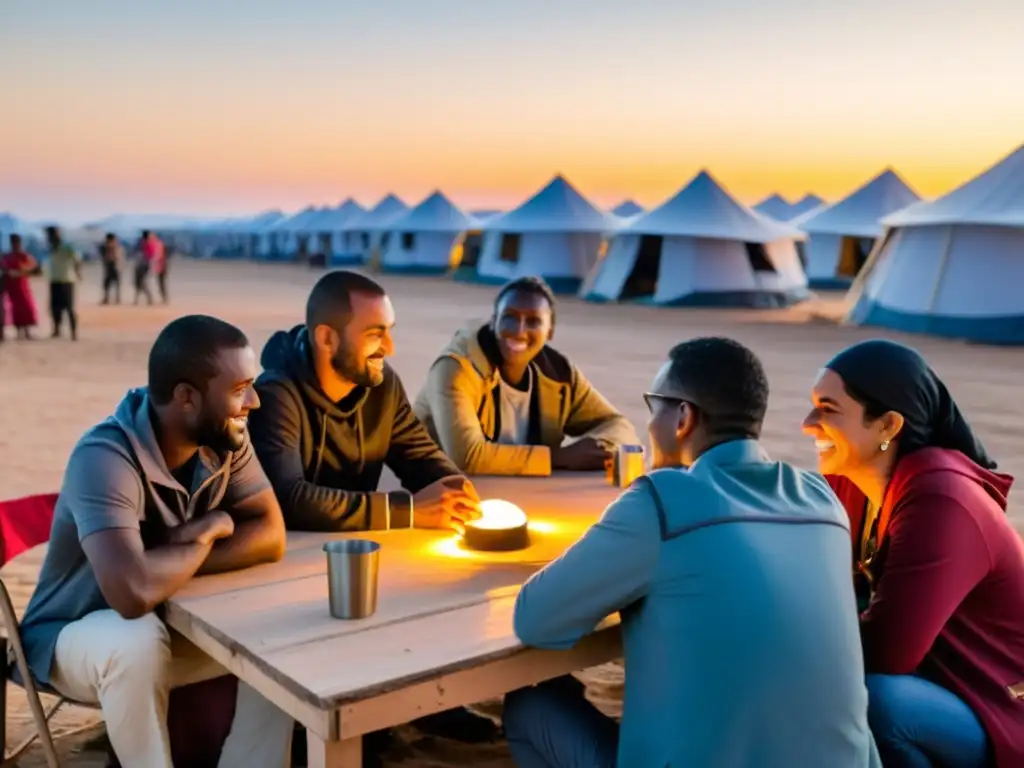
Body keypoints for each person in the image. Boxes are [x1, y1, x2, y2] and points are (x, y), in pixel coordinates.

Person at [503, 337, 880, 768]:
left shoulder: (662, 502)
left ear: (683, 416)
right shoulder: (822, 500)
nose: (649, 424)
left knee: (530, 706)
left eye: (654, 406)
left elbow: (535, 619)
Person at [18, 315, 293, 768]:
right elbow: (132, 595)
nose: (255, 401)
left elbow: (270, 534)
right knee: (136, 638)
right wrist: (205, 534)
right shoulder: (104, 457)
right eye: (240, 387)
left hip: (170, 627)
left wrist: (170, 558)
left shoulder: (225, 437)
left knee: (279, 632)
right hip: (72, 639)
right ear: (186, 397)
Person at [247, 269, 498, 756]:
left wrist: (453, 489)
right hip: (280, 567)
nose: (390, 347)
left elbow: (424, 459)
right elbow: (288, 498)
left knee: (443, 569)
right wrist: (408, 510)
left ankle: (431, 704)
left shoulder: (383, 387)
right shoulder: (276, 393)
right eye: (375, 334)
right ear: (325, 337)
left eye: (391, 331)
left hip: (356, 550)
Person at [804, 339, 1024, 768]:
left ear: (887, 425)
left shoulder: (941, 499)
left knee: (875, 703)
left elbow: (889, 651)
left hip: (1002, 699)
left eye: (828, 409)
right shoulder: (853, 481)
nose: (807, 423)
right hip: (942, 684)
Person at [414, 276, 639, 475]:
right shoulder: (457, 368)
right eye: (510, 317)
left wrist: (598, 447)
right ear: (494, 321)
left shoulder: (558, 374)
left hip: (512, 495)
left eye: (533, 321)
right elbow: (468, 456)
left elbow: (618, 425)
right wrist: (560, 457)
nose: (519, 331)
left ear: (550, 331)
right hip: (430, 491)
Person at [0, 234, 39, 341]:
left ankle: (26, 331)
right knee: (15, 308)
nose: (15, 244)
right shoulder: (8, 256)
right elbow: (4, 268)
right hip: (11, 285)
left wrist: (22, 272)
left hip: (21, 284)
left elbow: (33, 267)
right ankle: (19, 331)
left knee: (26, 307)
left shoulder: (24, 255)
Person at [45, 225, 80, 339]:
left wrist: (78, 271)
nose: (50, 238)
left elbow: (77, 259)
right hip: (54, 280)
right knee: (55, 307)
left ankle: (73, 332)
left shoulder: (67, 247)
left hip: (66, 280)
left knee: (69, 307)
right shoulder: (51, 248)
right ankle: (56, 330)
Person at [99, 231, 124, 304]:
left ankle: (115, 299)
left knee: (113, 284)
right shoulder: (115, 246)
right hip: (112, 267)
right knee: (110, 284)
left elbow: (116, 257)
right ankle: (111, 298)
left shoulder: (116, 246)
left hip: (114, 266)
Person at [134, 230, 154, 305]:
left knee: (141, 282)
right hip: (143, 265)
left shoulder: (143, 243)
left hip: (142, 265)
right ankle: (137, 298)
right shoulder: (147, 243)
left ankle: (147, 298)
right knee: (139, 282)